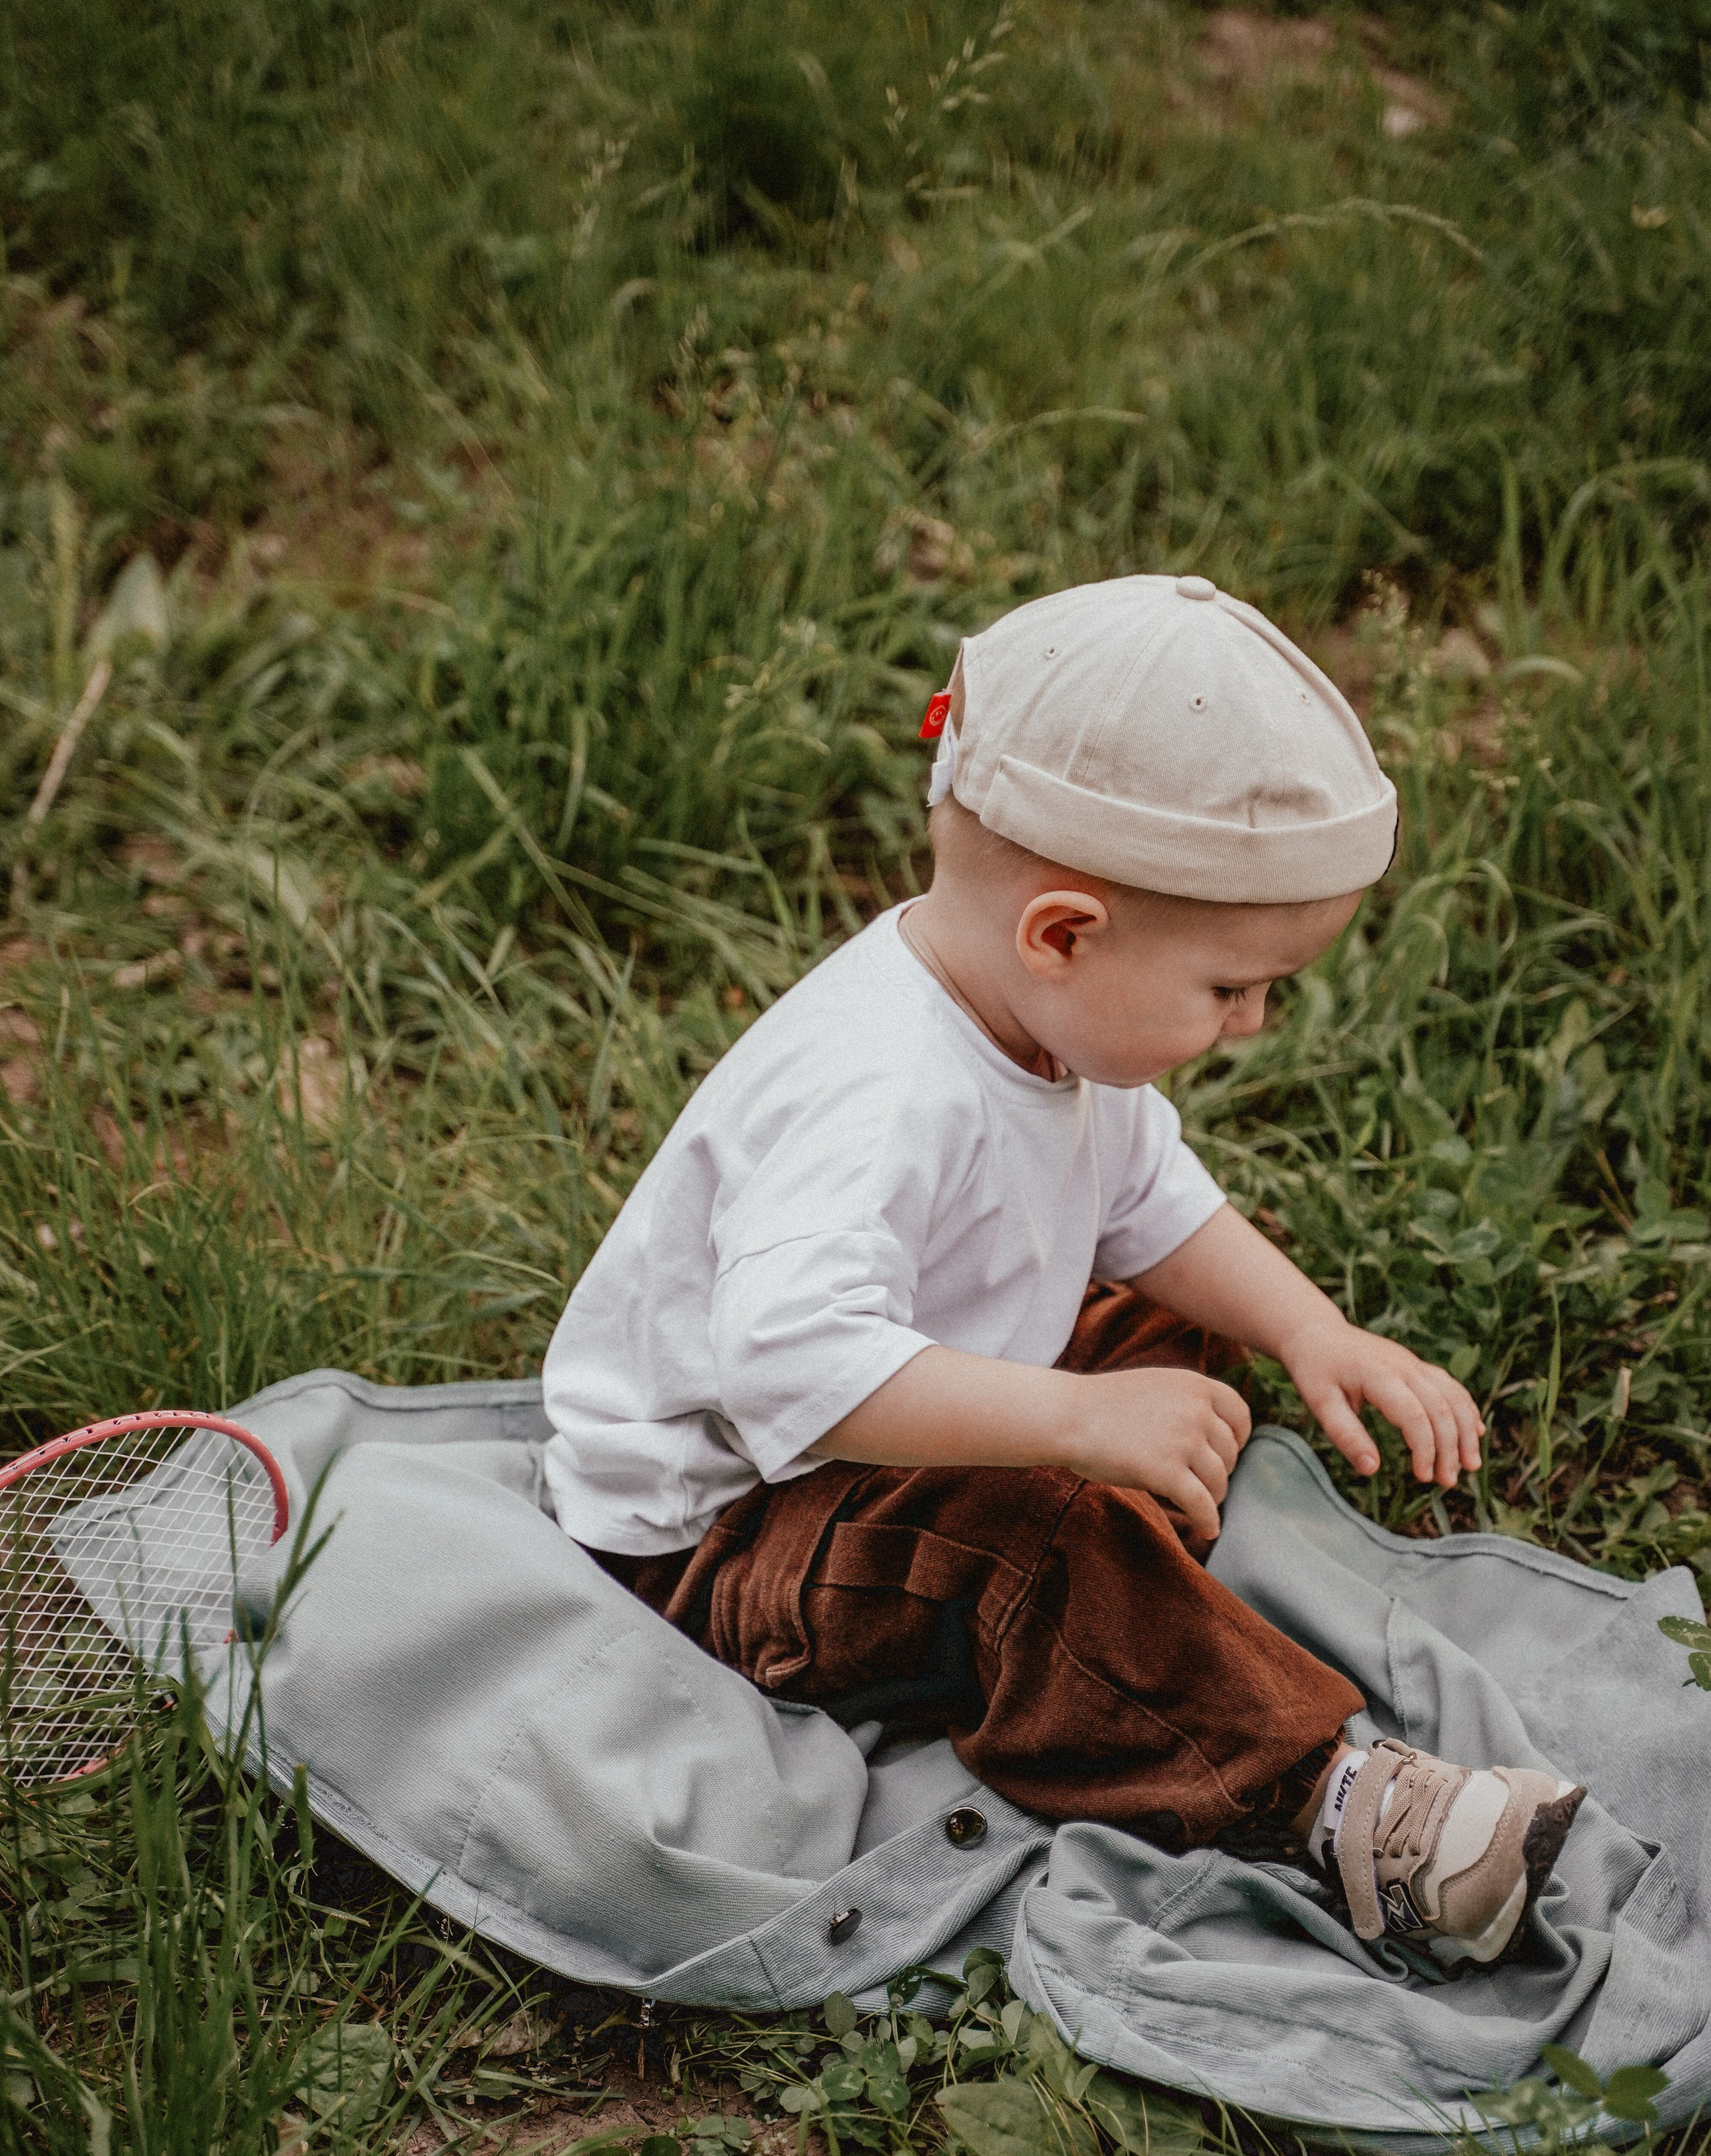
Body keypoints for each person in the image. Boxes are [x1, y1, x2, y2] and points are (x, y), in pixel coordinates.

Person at [540, 574, 1584, 1972]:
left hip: (893, 1410)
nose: (1254, 1023)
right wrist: (1080, 1426)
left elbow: (1147, 1201)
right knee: (1034, 1536)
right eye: (1229, 988)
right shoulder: (877, 1090)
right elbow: (788, 1361)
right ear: (1062, 932)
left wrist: (1312, 1331)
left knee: (1162, 1333)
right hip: (732, 1531)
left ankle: (1126, 1570)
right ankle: (1337, 1809)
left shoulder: (1038, 1024)